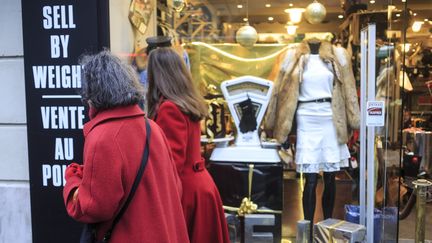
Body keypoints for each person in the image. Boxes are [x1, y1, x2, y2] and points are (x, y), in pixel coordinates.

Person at [63, 50, 189, 243]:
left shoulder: (103, 137)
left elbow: (92, 208)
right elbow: (176, 187)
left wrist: (72, 179)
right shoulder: (152, 127)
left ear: (91, 93)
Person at [264, 39, 360, 238]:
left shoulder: (335, 57)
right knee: (310, 176)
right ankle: (306, 228)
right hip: (306, 115)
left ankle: (327, 225)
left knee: (331, 175)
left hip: (330, 115)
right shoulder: (295, 58)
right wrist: (274, 120)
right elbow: (279, 91)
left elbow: (348, 88)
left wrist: (353, 117)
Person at [146, 47, 230, 243]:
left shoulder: (169, 108)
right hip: (200, 188)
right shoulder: (185, 103)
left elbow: (171, 163)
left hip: (186, 193)